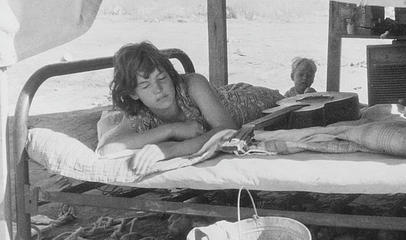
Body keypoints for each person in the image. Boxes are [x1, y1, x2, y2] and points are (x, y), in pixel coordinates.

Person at [97, 42, 282, 174]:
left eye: (162, 79)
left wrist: (168, 150)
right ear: (133, 94)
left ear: (170, 76)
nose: (158, 90)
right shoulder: (140, 111)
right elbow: (108, 149)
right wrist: (171, 130)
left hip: (254, 100)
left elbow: (228, 130)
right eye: (145, 86)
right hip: (221, 94)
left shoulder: (193, 84)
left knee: (291, 102)